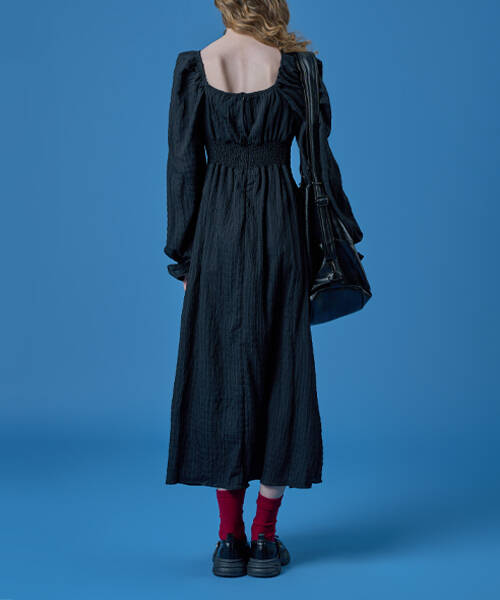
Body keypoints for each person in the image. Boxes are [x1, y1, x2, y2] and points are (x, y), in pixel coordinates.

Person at [163, 0, 364, 578]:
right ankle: (266, 539)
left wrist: (184, 256)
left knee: (220, 370)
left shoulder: (196, 66)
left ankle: (228, 542)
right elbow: (318, 164)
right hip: (281, 229)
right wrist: (340, 236)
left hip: (217, 231)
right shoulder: (299, 69)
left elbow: (183, 169)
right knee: (283, 369)